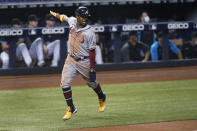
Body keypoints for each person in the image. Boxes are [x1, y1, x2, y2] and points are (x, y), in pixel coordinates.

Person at [50, 6, 106, 120]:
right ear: (77, 16)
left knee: (92, 83)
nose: (85, 19)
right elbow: (64, 18)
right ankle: (71, 108)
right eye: (82, 16)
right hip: (70, 59)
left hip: (84, 61)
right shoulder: (72, 21)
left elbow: (92, 52)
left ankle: (102, 96)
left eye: (86, 17)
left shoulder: (90, 32)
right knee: (64, 84)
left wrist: (92, 68)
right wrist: (55, 15)